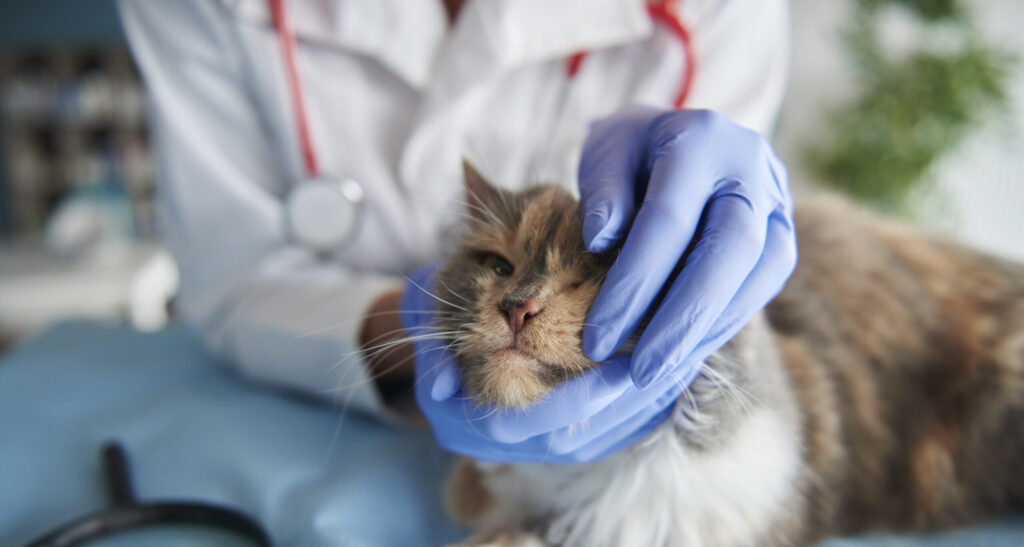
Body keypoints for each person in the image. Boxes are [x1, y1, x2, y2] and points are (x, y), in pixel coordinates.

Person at [119, 0, 796, 463]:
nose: (523, 302)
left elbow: (705, 265)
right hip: (308, 420)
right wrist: (418, 329)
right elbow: (231, 277)